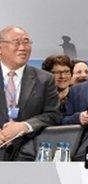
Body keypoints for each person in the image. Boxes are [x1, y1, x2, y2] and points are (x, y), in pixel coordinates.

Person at [0, 26, 61, 159]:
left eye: (26, 42)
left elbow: (53, 115)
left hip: (28, 155)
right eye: (16, 42)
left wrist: (25, 126)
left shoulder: (45, 79)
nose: (23, 47)